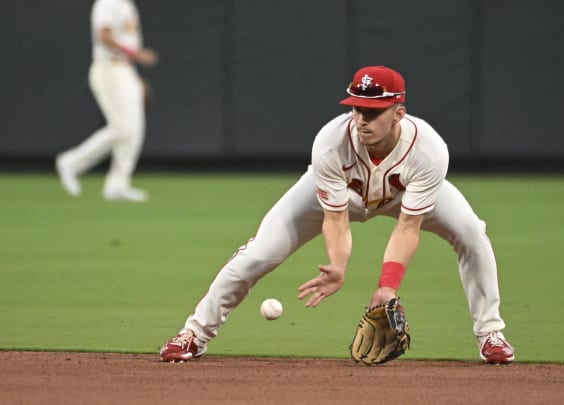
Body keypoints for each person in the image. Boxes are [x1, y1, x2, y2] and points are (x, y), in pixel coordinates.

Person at [160, 65, 515, 364]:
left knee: (471, 232)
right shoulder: (331, 142)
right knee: (259, 253)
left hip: (401, 193)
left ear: (398, 113)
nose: (362, 119)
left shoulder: (429, 150)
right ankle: (194, 333)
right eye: (357, 108)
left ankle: (490, 334)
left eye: (373, 112)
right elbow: (335, 218)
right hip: (339, 193)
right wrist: (339, 265)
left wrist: (388, 286)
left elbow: (408, 227)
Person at [56, 0, 157, 202]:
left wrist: (134, 75)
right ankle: (71, 162)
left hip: (125, 69)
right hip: (108, 68)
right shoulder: (108, 3)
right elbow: (103, 36)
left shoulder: (127, 4)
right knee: (121, 129)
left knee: (135, 129)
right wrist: (136, 55)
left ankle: (118, 184)